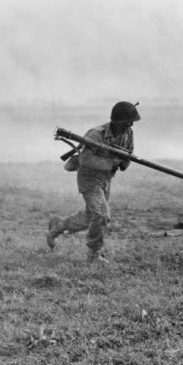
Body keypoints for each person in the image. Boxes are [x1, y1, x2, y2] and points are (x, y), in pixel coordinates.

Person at [46, 101, 140, 264]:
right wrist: (112, 163)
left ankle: (59, 225)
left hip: (106, 179)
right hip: (89, 178)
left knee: (91, 217)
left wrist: (124, 162)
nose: (131, 124)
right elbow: (86, 160)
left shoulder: (128, 134)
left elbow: (128, 155)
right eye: (128, 121)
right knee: (101, 215)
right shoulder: (95, 134)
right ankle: (94, 254)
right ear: (118, 120)